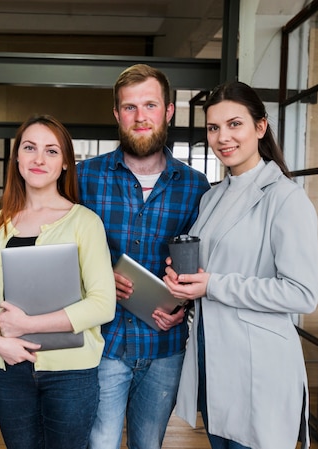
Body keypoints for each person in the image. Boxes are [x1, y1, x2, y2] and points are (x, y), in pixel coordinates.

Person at [163, 80, 318, 449]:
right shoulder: (213, 196)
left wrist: (212, 285)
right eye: (214, 128)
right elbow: (210, 270)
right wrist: (183, 289)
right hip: (214, 360)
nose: (223, 137)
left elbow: (302, 293)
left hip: (258, 368)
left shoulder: (286, 199)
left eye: (235, 124)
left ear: (260, 127)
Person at [76, 64, 211, 449]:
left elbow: (202, 265)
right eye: (130, 107)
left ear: (168, 110)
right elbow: (60, 248)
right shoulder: (85, 177)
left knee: (148, 444)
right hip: (104, 342)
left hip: (164, 347)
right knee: (98, 443)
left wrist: (184, 304)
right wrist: (96, 278)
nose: (140, 117)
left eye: (149, 105)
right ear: (117, 114)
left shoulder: (196, 186)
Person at [0, 114, 116, 449]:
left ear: (66, 162)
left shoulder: (85, 222)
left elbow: (102, 304)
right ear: (17, 158)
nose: (39, 159)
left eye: (52, 151)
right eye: (30, 148)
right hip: (10, 369)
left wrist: (28, 324)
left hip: (72, 373)